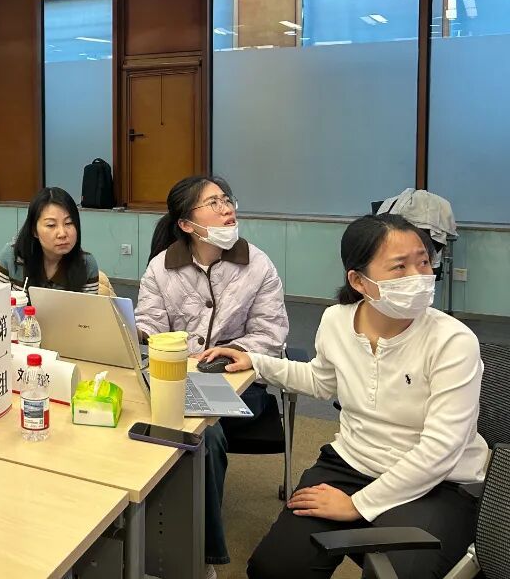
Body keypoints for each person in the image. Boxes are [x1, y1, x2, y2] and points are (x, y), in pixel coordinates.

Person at [200, 214, 486, 579]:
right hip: (353, 462)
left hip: (438, 482)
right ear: (358, 280)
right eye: (400, 266)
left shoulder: (453, 341)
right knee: (274, 569)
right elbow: (321, 381)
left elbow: (441, 450)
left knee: (396, 574)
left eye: (424, 262)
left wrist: (357, 505)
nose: (418, 276)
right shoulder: (337, 320)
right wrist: (256, 363)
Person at [135, 175, 288, 574]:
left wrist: (238, 351)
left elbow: (271, 332)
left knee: (205, 434)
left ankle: (201, 557)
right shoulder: (161, 268)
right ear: (187, 224)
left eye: (227, 200)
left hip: (239, 384)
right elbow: (149, 324)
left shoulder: (257, 264)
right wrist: (135, 333)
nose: (227, 209)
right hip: (175, 377)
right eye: (214, 203)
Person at [0, 187, 99, 294]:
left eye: (69, 223)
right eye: (51, 225)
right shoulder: (12, 256)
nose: (62, 234)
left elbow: (88, 308)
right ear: (34, 230)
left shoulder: (87, 264)